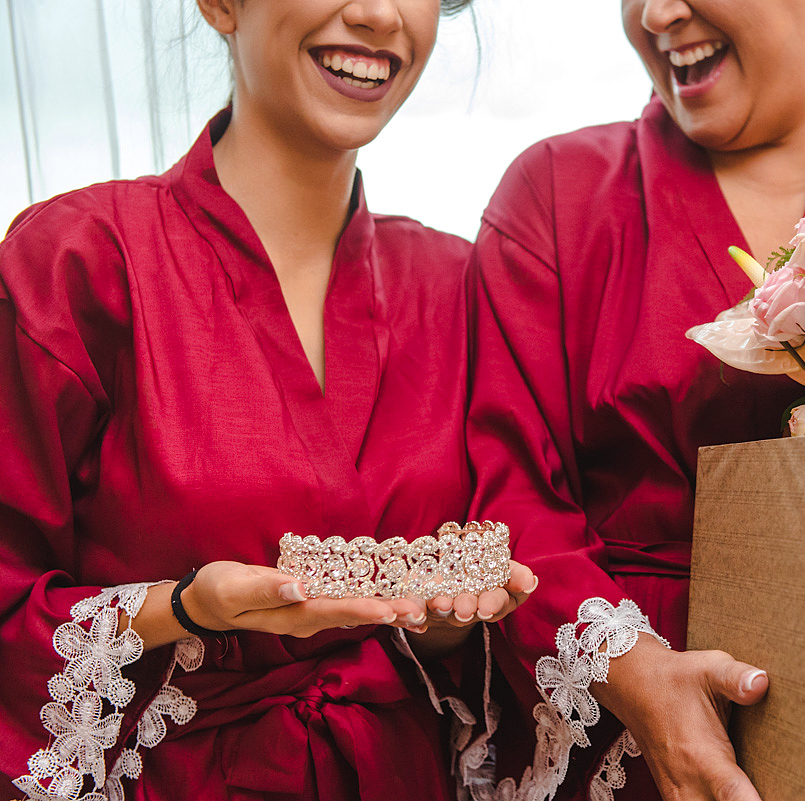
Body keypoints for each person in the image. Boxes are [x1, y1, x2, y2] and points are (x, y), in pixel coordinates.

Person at [0, 1, 536, 799]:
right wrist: (184, 607)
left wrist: (451, 624)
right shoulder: (76, 260)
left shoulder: (458, 283)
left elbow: (497, 594)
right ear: (220, 4)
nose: (378, 14)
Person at [462, 0, 805, 799]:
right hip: (623, 739)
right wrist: (635, 672)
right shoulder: (557, 196)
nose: (657, 12)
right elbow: (508, 495)